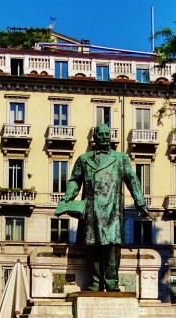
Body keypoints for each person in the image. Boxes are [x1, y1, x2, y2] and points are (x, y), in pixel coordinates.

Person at [55, 123, 150, 291]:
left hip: (112, 208)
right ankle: (96, 281)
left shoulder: (120, 158)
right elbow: (75, 181)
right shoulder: (84, 159)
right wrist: (67, 197)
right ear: (95, 137)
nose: (105, 137)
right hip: (91, 208)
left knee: (112, 245)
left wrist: (140, 201)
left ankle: (112, 281)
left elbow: (132, 179)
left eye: (107, 134)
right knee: (92, 245)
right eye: (101, 134)